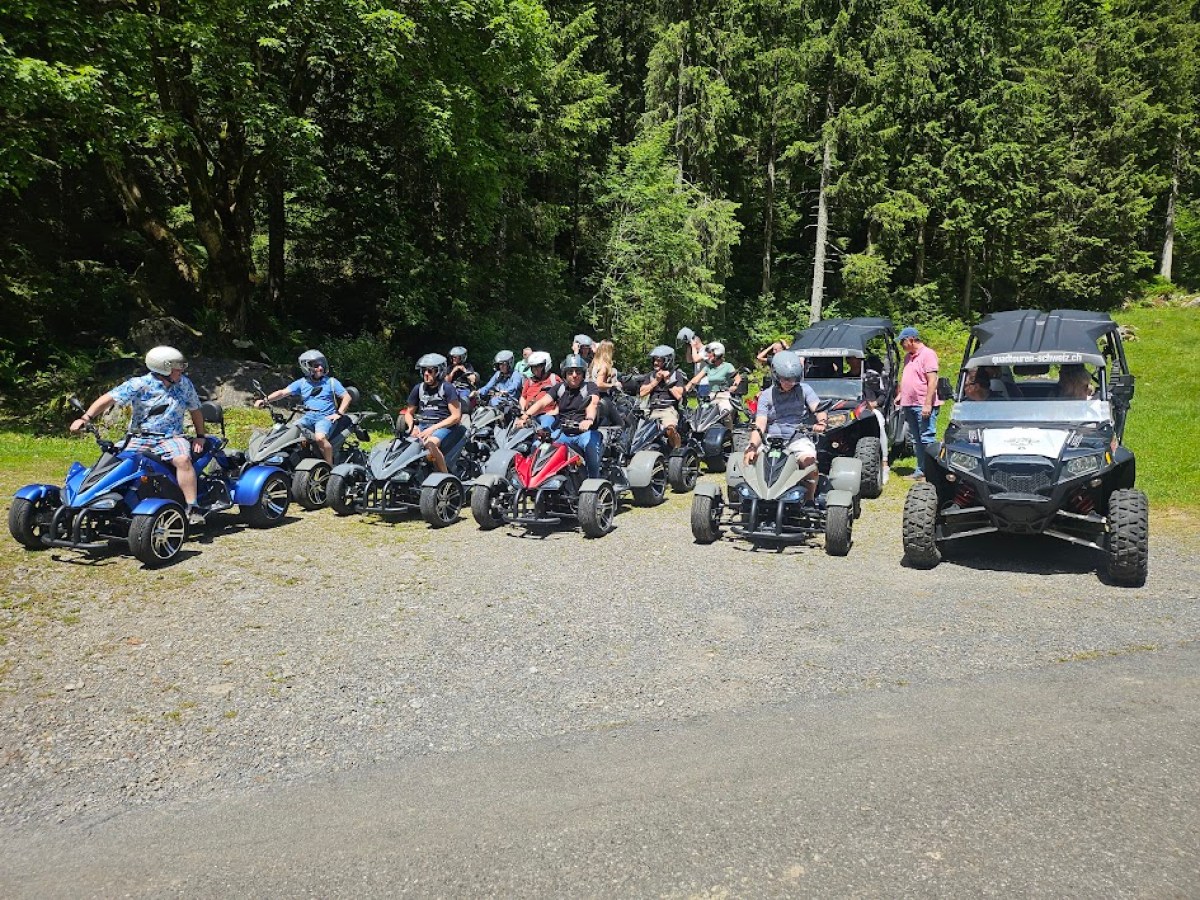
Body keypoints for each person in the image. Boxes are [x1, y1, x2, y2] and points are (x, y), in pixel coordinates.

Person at [70, 345, 209, 524]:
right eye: (177, 366)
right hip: (139, 437)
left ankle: (193, 507)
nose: (181, 370)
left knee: (183, 460)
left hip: (171, 437)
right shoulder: (139, 384)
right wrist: (85, 418)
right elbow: (108, 398)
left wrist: (200, 435)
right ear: (164, 369)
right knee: (114, 461)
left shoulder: (185, 384)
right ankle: (94, 499)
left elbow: (195, 409)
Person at [744, 350, 828, 504]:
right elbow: (760, 424)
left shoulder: (805, 390)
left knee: (810, 464)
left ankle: (809, 501)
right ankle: (751, 500)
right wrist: (752, 447)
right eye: (786, 379)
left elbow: (818, 409)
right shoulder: (766, 396)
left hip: (798, 437)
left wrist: (821, 422)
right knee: (749, 460)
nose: (791, 383)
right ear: (776, 376)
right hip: (771, 440)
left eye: (794, 379)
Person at [255, 349, 351, 467]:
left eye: (321, 364)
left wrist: (339, 413)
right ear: (306, 367)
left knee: (320, 438)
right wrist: (265, 400)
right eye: (316, 365)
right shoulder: (301, 383)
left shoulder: (331, 382)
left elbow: (346, 397)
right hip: (308, 417)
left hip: (325, 418)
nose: (320, 368)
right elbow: (282, 393)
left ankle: (330, 468)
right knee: (287, 431)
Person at [518, 354, 602, 479]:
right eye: (570, 372)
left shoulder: (590, 387)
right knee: (541, 447)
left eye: (578, 372)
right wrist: (525, 416)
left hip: (585, 433)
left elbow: (593, 403)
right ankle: (538, 481)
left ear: (583, 373)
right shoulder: (559, 388)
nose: (574, 375)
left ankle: (594, 484)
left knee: (591, 449)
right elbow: (542, 403)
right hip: (563, 434)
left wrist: (588, 420)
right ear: (565, 374)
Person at [405, 353, 464, 474]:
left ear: (439, 372)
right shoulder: (418, 388)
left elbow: (456, 416)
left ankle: (445, 479)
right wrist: (412, 427)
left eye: (430, 371)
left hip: (444, 427)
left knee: (430, 444)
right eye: (424, 370)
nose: (426, 373)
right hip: (422, 425)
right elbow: (408, 413)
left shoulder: (447, 388)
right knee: (401, 444)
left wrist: (433, 428)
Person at [896, 326, 942, 481]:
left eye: (902, 341)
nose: (901, 345)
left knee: (927, 438)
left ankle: (931, 472)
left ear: (911, 339)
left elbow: (932, 381)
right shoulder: (908, 357)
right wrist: (902, 394)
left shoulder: (928, 355)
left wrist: (928, 403)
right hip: (909, 404)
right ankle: (921, 470)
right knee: (916, 439)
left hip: (923, 404)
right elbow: (909, 377)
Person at [846, 354, 889, 483]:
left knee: (879, 422)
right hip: (853, 409)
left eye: (857, 358)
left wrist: (874, 404)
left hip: (872, 409)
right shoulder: (845, 376)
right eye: (851, 358)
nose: (855, 361)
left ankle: (884, 462)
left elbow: (883, 395)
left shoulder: (872, 376)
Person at [638, 344, 685, 448]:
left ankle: (677, 451)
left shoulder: (676, 375)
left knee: (670, 429)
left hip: (669, 409)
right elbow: (642, 393)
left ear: (667, 361)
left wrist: (667, 381)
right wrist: (656, 381)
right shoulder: (651, 375)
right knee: (640, 433)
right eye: (655, 360)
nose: (655, 362)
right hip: (652, 410)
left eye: (659, 360)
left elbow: (679, 395)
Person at [684, 341, 743, 424]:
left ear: (717, 353)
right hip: (711, 396)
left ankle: (728, 434)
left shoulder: (728, 366)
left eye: (709, 353)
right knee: (698, 415)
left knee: (725, 414)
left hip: (724, 396)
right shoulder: (708, 367)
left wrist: (735, 386)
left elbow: (738, 378)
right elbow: (696, 379)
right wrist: (687, 387)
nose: (707, 356)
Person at [520, 351, 560, 429]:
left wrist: (555, 411)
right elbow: (523, 397)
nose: (534, 369)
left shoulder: (554, 380)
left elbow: (563, 399)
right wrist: (522, 409)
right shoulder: (529, 381)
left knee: (545, 429)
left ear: (545, 366)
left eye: (537, 366)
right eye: (532, 367)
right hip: (529, 415)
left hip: (546, 415)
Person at [588, 340, 620, 427]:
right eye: (612, 350)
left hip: (591, 395)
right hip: (602, 396)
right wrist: (613, 385)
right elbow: (599, 384)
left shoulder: (594, 363)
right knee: (620, 423)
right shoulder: (604, 366)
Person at [678, 328, 710, 399]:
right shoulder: (696, 352)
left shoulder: (707, 350)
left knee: (706, 408)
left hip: (706, 383)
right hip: (699, 384)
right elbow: (689, 360)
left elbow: (695, 359)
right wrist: (689, 348)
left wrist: (693, 346)